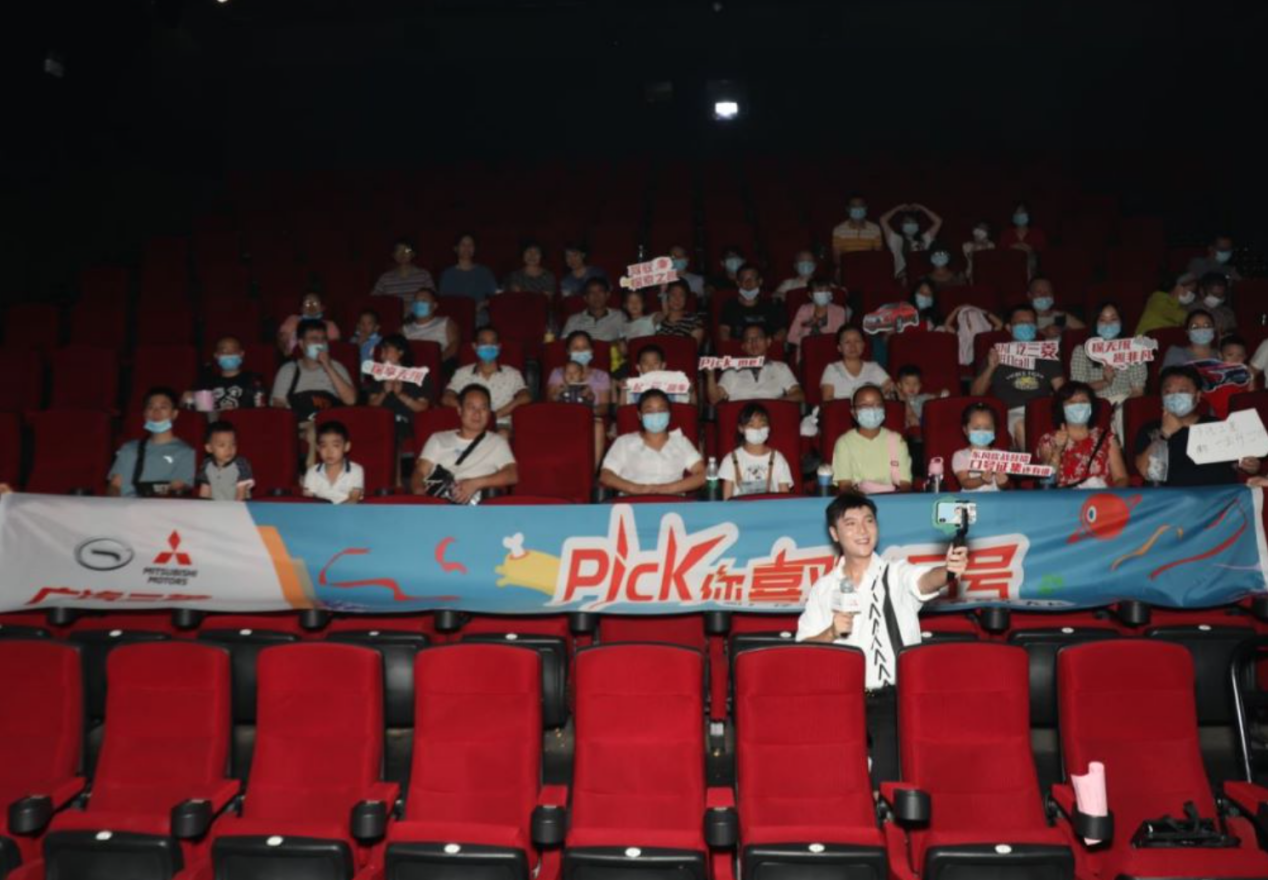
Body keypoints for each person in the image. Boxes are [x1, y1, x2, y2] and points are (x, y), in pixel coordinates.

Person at [796, 492, 968, 782]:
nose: (862, 530)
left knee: (886, 784)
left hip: (893, 698)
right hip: (842, 700)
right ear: (834, 533)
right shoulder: (824, 588)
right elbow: (803, 651)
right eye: (851, 523)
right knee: (837, 780)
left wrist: (948, 572)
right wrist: (831, 631)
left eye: (869, 521)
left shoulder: (895, 572)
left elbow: (925, 580)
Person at [1134, 365, 1260, 486]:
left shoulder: (1217, 426)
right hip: (1171, 498)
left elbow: (1237, 465)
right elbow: (1144, 471)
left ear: (1198, 396)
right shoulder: (1151, 429)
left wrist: (1250, 466)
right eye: (1168, 392)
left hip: (1217, 495)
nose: (1175, 396)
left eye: (1182, 391)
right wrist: (1164, 434)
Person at [970, 304, 1066, 448]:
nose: (1026, 326)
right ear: (1009, 327)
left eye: (1030, 323)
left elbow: (1062, 390)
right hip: (1012, 411)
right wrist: (991, 367)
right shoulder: (998, 353)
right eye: (1021, 323)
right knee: (1022, 425)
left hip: (1042, 410)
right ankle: (1035, 462)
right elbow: (975, 393)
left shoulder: (1046, 354)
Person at [412, 384, 518, 503]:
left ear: (489, 412)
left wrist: (475, 484)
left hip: (478, 505)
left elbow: (512, 474)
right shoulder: (438, 439)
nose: (477, 413)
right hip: (439, 503)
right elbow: (420, 472)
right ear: (460, 410)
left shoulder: (497, 442)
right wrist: (420, 493)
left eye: (483, 408)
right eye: (471, 407)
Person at [271, 320, 358, 465]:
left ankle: (311, 472)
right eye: (314, 339)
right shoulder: (288, 370)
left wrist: (328, 366)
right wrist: (293, 426)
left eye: (323, 339)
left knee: (315, 430)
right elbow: (278, 405)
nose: (320, 343)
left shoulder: (336, 367)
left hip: (329, 425)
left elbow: (351, 400)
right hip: (299, 426)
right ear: (301, 343)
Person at [599, 390, 705, 496]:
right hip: (633, 501)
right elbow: (606, 475)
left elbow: (702, 475)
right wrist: (638, 489)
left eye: (661, 410)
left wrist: (665, 489)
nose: (656, 415)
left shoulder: (681, 442)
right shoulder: (624, 442)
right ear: (640, 415)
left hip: (673, 501)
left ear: (669, 414)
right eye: (649, 411)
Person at [107, 387, 196, 497]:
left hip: (158, 505)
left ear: (174, 414)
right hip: (123, 505)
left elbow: (179, 487)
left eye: (163, 407)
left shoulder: (185, 452)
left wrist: (149, 491)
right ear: (145, 414)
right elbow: (115, 485)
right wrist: (113, 504)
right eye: (151, 407)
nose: (156, 412)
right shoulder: (129, 448)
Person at [1036, 382, 1129, 488]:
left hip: (1101, 496)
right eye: (1072, 402)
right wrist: (1057, 450)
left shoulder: (1107, 438)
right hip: (1064, 497)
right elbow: (1048, 482)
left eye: (1083, 401)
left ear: (1091, 406)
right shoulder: (1048, 440)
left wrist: (1107, 497)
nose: (1078, 406)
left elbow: (1121, 478)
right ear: (1061, 408)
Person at [443, 327, 530, 434]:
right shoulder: (462, 373)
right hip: (471, 422)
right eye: (484, 343)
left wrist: (497, 414)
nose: (489, 347)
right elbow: (446, 398)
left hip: (501, 423)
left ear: (499, 347)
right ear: (475, 346)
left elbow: (525, 397)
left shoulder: (512, 373)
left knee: (503, 434)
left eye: (493, 343)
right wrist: (471, 411)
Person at [831, 385, 913, 494]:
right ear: (854, 412)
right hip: (858, 500)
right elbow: (844, 485)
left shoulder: (897, 441)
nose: (872, 409)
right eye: (865, 405)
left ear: (884, 409)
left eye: (877, 404)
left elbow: (905, 483)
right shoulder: (844, 443)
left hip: (893, 499)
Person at [547, 330, 612, 463]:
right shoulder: (558, 372)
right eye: (576, 348)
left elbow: (604, 407)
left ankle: (592, 472)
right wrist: (561, 391)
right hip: (562, 416)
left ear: (592, 351)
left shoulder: (601, 375)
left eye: (585, 347)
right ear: (568, 352)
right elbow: (549, 401)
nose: (581, 351)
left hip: (589, 418)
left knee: (598, 426)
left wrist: (588, 405)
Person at [1070, 302, 1146, 410]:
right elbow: (1078, 389)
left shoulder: (1134, 349)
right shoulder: (1082, 351)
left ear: (1121, 322)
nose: (1108, 324)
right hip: (1094, 403)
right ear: (1095, 324)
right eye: (1102, 320)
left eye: (1113, 319)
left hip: (1124, 402)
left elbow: (1138, 391)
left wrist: (1120, 408)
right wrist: (1105, 382)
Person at [707, 325, 803, 404]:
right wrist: (710, 375)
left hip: (774, 416)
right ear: (743, 347)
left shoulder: (781, 367)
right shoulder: (732, 370)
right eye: (748, 340)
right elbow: (715, 399)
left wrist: (773, 405)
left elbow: (799, 395)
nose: (753, 342)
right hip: (741, 418)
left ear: (768, 341)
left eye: (758, 338)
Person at [365, 333, 432, 444]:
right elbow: (371, 406)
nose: (382, 355)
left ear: (400, 352)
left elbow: (422, 408)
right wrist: (384, 392)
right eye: (381, 351)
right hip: (380, 422)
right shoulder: (378, 375)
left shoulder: (417, 376)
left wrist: (400, 394)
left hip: (405, 424)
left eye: (386, 350)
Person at [719, 403, 794, 498]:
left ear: (768, 428)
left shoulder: (778, 459)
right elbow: (726, 500)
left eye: (762, 424)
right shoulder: (730, 460)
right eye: (751, 425)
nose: (758, 429)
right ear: (741, 429)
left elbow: (785, 499)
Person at [183, 336, 265, 411]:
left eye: (233, 351)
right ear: (216, 355)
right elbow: (187, 404)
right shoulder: (206, 381)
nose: (229, 354)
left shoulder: (254, 380)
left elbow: (262, 409)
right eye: (224, 351)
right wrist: (186, 399)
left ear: (241, 354)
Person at [718, 264, 786, 344]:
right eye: (744, 279)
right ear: (738, 283)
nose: (748, 283)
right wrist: (729, 348)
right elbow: (724, 331)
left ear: (760, 281)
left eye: (752, 279)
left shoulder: (771, 306)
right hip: (739, 348)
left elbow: (781, 331)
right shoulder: (730, 306)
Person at [821, 327, 892, 402]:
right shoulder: (832, 369)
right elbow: (827, 401)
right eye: (847, 342)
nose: (853, 346)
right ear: (839, 348)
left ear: (863, 345)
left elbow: (891, 389)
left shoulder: (874, 367)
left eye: (857, 341)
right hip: (840, 409)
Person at [302, 421, 364, 504]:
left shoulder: (356, 470)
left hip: (346, 511)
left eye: (335, 445)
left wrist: (335, 511)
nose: (329, 451)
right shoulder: (312, 472)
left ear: (346, 446)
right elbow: (308, 501)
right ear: (318, 448)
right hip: (320, 511)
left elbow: (353, 499)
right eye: (324, 446)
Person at [952, 403, 1010, 492]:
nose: (982, 432)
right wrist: (982, 480)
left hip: (995, 499)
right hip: (971, 498)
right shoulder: (961, 456)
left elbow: (1004, 487)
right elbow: (964, 482)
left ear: (994, 429)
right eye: (976, 428)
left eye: (988, 428)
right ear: (965, 430)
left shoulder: (1001, 455)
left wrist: (1003, 482)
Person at [880, 203, 943, 280]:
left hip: (922, 276)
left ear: (918, 226)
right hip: (903, 276)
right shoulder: (896, 239)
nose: (910, 225)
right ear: (901, 225)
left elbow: (938, 221)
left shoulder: (924, 238)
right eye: (907, 222)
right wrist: (898, 208)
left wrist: (921, 207)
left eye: (913, 223)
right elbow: (883, 219)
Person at [787, 277, 850, 352]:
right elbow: (791, 337)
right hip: (807, 352)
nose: (824, 294)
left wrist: (820, 344)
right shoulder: (804, 309)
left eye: (827, 290)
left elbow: (839, 337)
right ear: (810, 295)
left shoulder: (839, 311)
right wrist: (809, 343)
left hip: (830, 351)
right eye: (820, 291)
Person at [621, 343, 695, 406]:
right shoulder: (633, 386)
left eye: (655, 363)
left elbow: (691, 408)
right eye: (646, 363)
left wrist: (691, 391)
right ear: (638, 367)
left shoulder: (675, 381)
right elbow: (623, 411)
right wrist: (623, 390)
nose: (651, 367)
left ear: (663, 365)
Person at [197, 421, 254, 501]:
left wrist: (234, 508)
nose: (229, 449)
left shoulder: (241, 464)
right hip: (215, 506)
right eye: (222, 445)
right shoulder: (206, 465)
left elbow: (241, 494)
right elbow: (205, 492)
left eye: (233, 444)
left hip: (237, 506)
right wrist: (203, 506)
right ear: (209, 448)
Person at [402, 287, 459, 366]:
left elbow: (454, 345)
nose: (419, 304)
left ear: (435, 305)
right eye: (416, 301)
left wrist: (437, 362)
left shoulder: (446, 322)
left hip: (438, 365)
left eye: (424, 301)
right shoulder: (404, 329)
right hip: (411, 366)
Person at [371, 239, 436, 307]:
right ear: (393, 255)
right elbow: (373, 300)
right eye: (398, 250)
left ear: (413, 253)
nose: (402, 253)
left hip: (419, 313)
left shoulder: (424, 275)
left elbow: (433, 300)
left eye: (407, 250)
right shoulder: (385, 278)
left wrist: (410, 307)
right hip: (393, 312)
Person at [562, 277, 627, 344]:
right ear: (585, 298)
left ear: (607, 295)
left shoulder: (619, 316)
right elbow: (563, 344)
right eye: (591, 292)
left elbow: (626, 340)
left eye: (600, 291)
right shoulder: (573, 320)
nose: (596, 296)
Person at [1204, 335, 1255, 418]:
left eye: (1240, 356)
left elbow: (1252, 397)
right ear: (1220, 355)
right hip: (1219, 417)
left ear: (1245, 357)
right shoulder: (1213, 374)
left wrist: (1251, 378)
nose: (1235, 359)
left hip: (1242, 415)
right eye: (1230, 355)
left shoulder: (1245, 375)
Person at [276, 292, 340, 356]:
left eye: (315, 303)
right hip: (294, 357)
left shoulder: (330, 325)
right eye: (307, 304)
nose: (311, 306)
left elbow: (334, 348)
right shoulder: (293, 320)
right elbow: (282, 339)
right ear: (301, 309)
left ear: (322, 308)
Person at [439, 233, 498, 301]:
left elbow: (495, 297)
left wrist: (483, 304)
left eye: (470, 245)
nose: (467, 248)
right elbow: (444, 300)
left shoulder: (485, 272)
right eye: (463, 245)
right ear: (456, 248)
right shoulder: (447, 274)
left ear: (475, 249)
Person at [831, 194, 884, 260]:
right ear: (848, 209)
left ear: (865, 208)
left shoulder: (875, 229)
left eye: (861, 206)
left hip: (868, 264)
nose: (858, 209)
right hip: (847, 265)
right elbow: (837, 258)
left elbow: (878, 255)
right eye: (854, 206)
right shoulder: (838, 230)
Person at [655, 280, 706, 346]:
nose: (677, 299)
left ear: (686, 298)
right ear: (667, 296)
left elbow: (693, 348)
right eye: (673, 294)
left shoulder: (694, 320)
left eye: (681, 295)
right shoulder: (659, 318)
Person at [894, 364, 937, 433]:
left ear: (920, 386)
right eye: (907, 383)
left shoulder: (923, 397)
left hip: (922, 428)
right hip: (904, 430)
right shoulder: (896, 400)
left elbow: (936, 397)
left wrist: (942, 393)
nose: (912, 387)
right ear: (899, 385)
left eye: (915, 384)